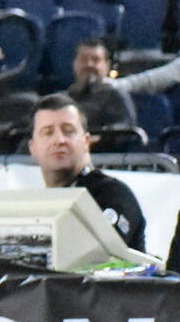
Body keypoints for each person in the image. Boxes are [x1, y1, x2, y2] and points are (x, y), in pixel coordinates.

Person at [28, 94, 146, 251]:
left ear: (86, 142)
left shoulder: (114, 195)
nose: (59, 140)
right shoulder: (33, 208)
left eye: (68, 131)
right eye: (48, 132)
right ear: (32, 147)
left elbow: (100, 256)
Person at [64, 37, 137, 138]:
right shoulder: (64, 99)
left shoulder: (116, 96)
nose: (89, 65)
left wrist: (101, 137)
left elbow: (126, 131)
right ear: (74, 64)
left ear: (107, 66)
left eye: (95, 60)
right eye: (83, 59)